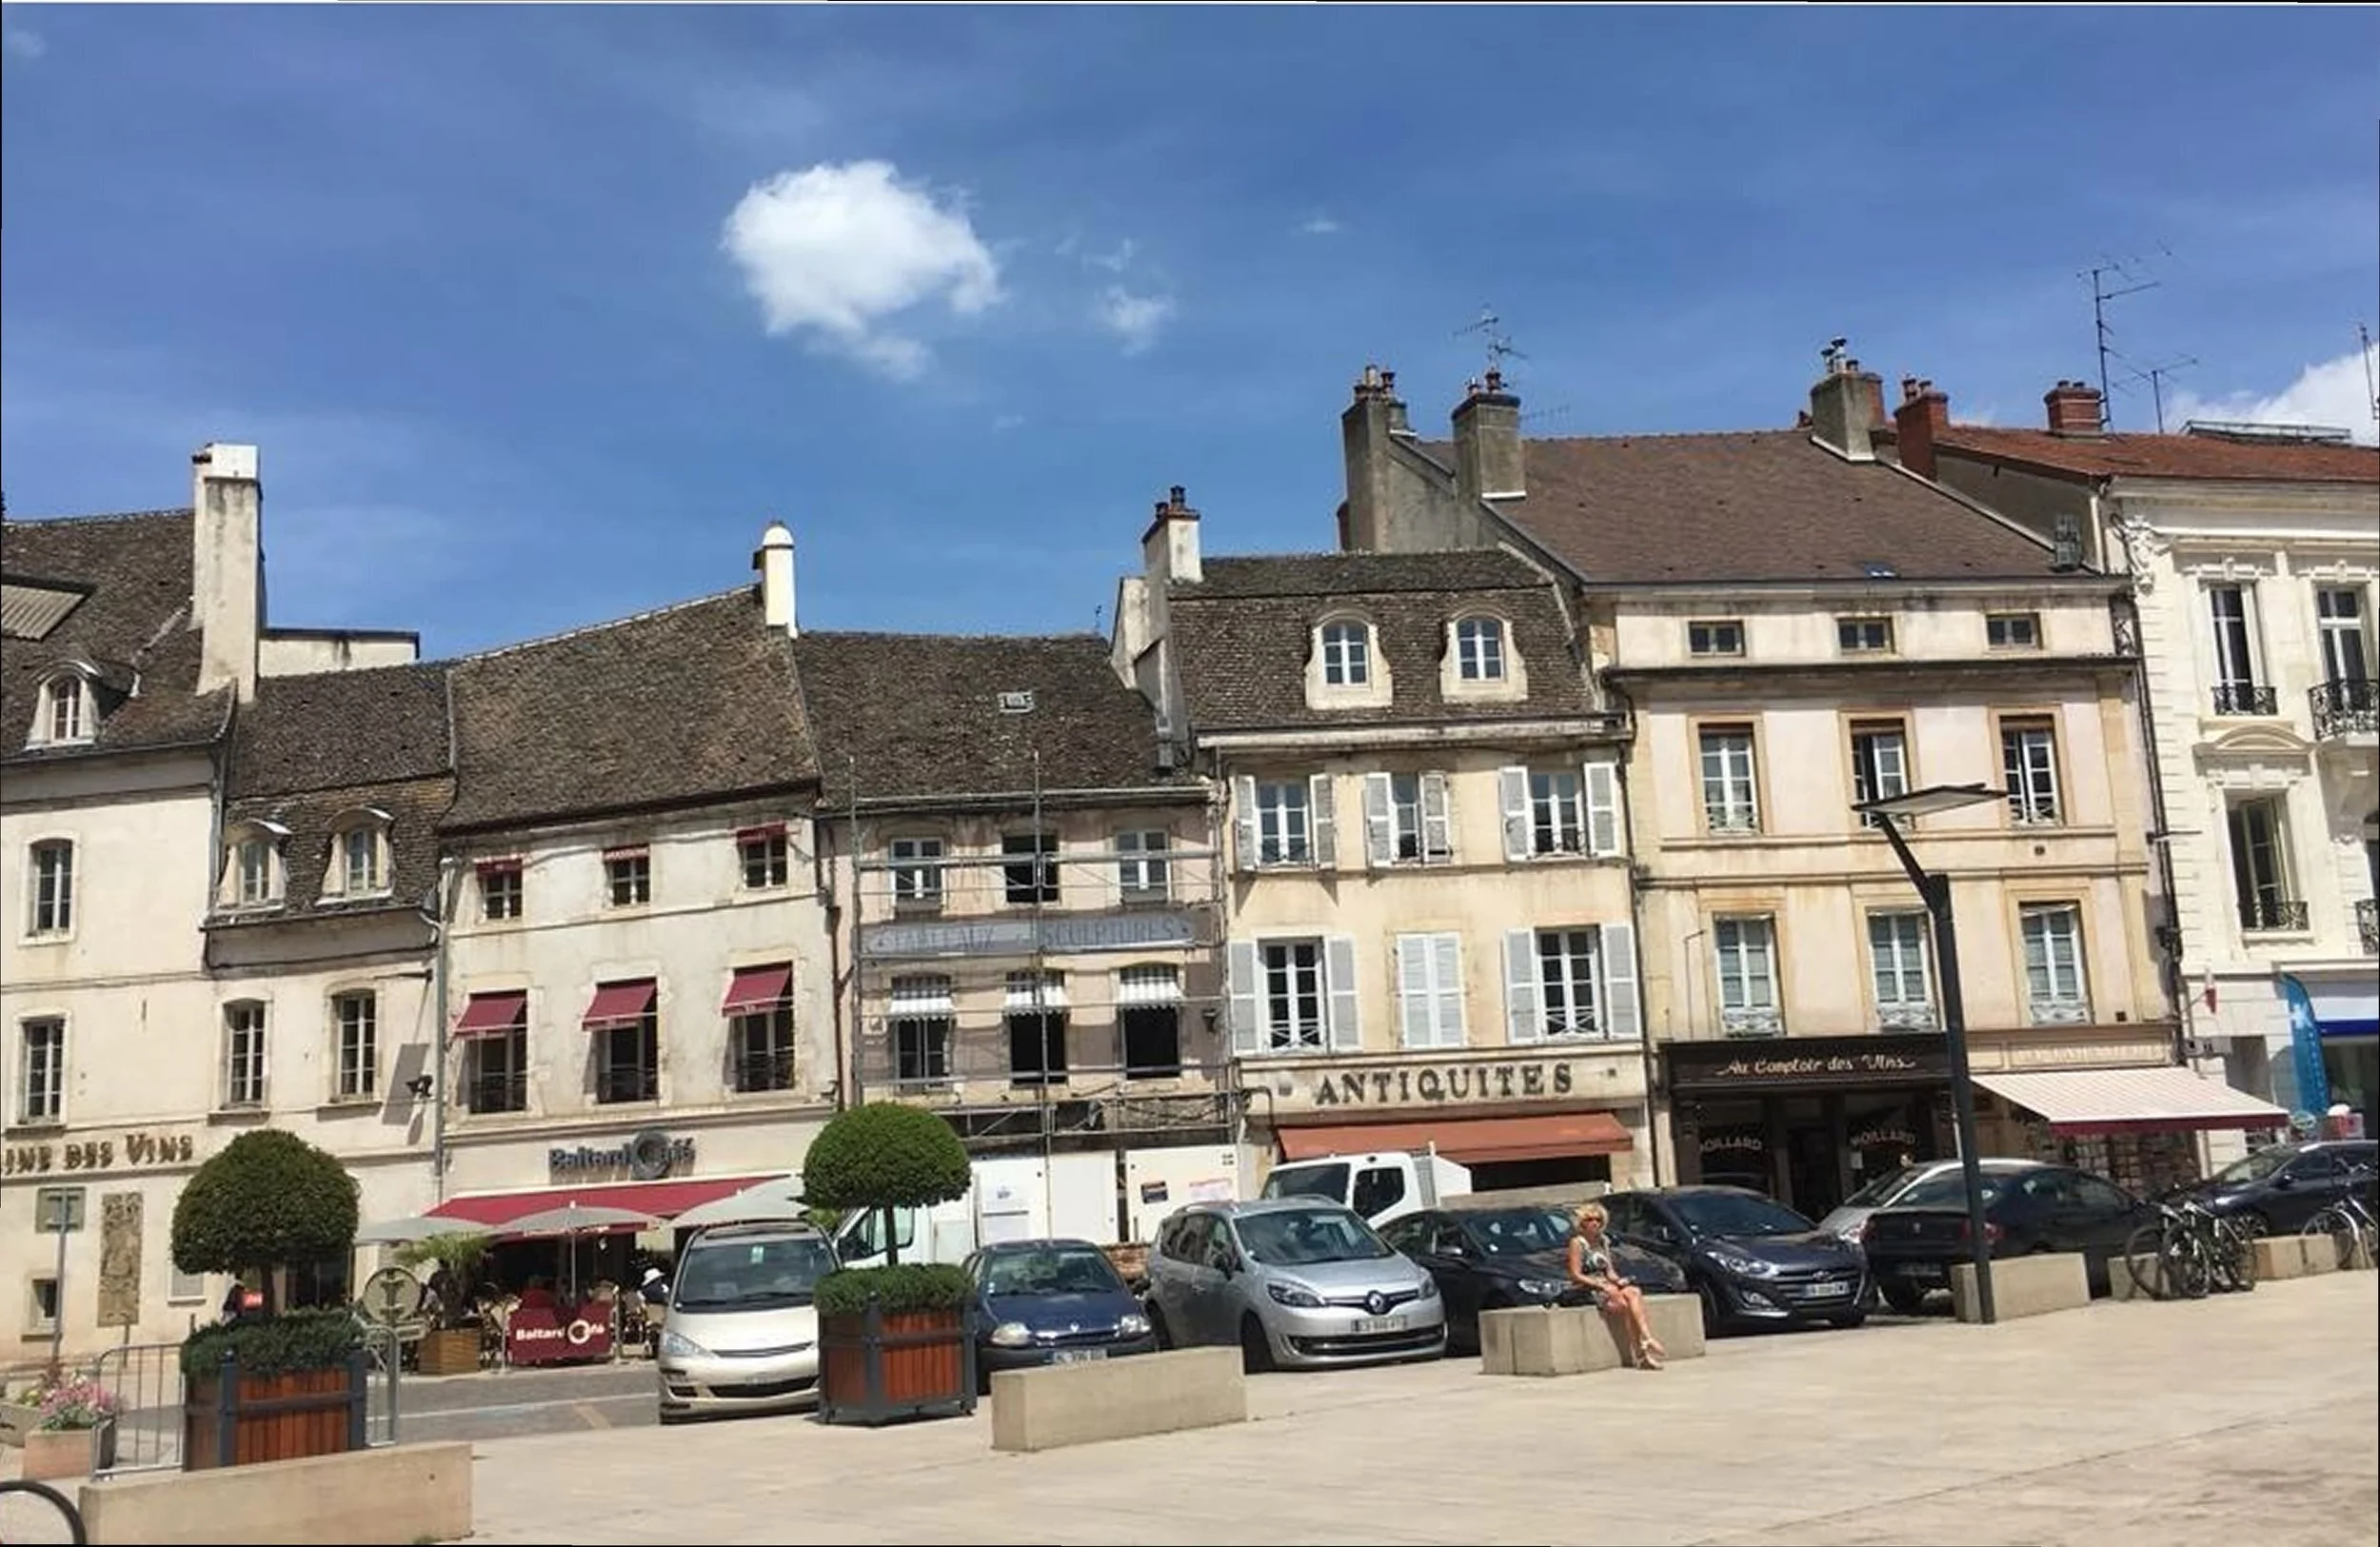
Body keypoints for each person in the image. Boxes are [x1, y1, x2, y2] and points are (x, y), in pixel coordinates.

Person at [1566, 1202, 1665, 1370]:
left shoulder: (1603, 1241)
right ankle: (1642, 1355)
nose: (1594, 1223)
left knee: (1634, 1292)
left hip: (1606, 1285)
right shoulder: (1577, 1243)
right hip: (1587, 1288)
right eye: (1589, 1219)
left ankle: (1647, 1338)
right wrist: (1599, 1284)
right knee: (1625, 1304)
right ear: (1582, 1223)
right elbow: (1575, 1275)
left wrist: (1619, 1281)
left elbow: (1609, 1271)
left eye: (1598, 1219)